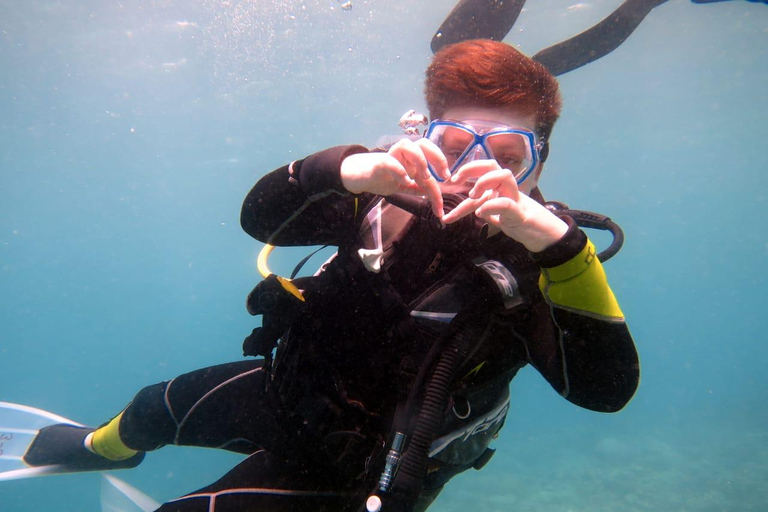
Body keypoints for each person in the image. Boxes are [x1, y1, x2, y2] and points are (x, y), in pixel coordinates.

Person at [20, 39, 639, 512]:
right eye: (455, 144)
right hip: (293, 391)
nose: (475, 169)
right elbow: (258, 220)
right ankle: (100, 449)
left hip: (369, 468)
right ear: (425, 135)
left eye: (508, 155)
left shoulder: (538, 263)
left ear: (540, 159)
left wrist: (563, 249)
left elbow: (604, 390)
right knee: (153, 407)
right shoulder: (386, 197)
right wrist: (339, 170)